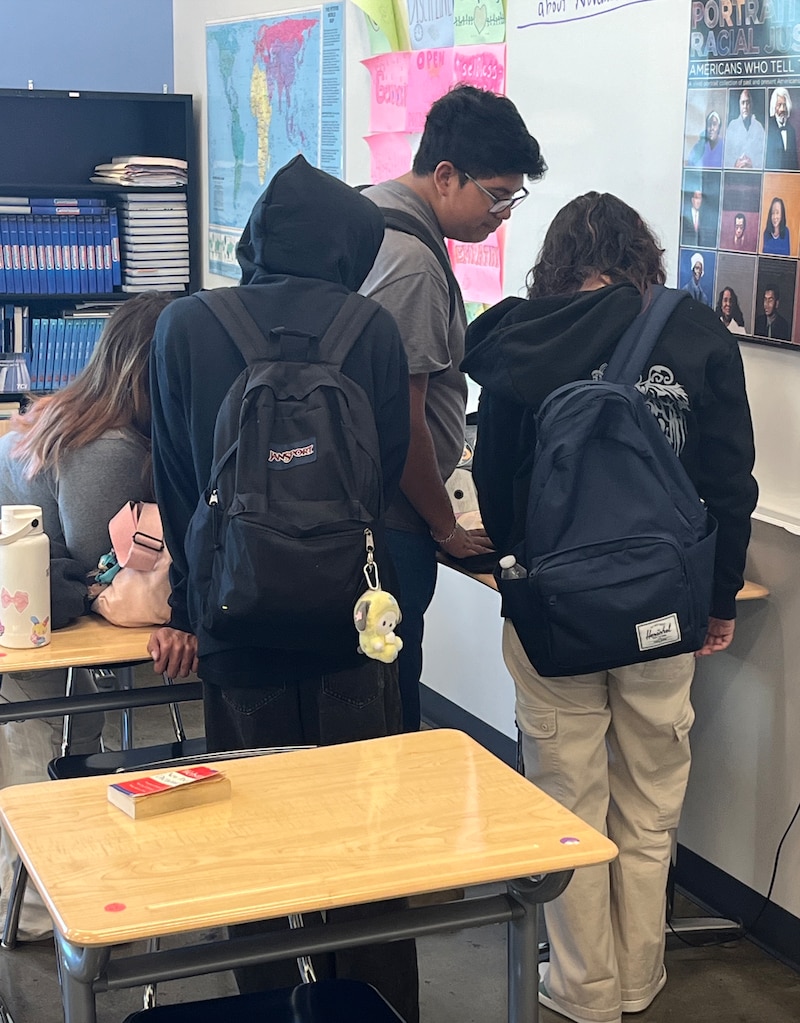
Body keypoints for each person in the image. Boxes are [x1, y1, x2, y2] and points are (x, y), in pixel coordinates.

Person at [462, 191, 758, 1023]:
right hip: (663, 609)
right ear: (645, 256)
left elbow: (494, 475)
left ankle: (582, 987)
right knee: (651, 797)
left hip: (554, 610)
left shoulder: (531, 332)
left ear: (554, 260)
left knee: (566, 793)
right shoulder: (697, 333)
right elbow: (730, 484)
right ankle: (638, 977)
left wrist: (526, 574)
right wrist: (717, 598)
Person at [147, 154, 418, 1021]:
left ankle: (268, 1004)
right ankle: (372, 1004)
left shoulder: (186, 326)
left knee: (252, 840)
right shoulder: (370, 329)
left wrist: (196, 606)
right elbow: (379, 478)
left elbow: (179, 480)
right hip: (350, 622)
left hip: (236, 624)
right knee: (364, 835)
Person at [359, 84, 546, 731]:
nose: (504, 215)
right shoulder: (410, 259)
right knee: (390, 701)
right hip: (393, 521)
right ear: (445, 175)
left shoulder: (366, 215)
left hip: (365, 510)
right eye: (496, 196)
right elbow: (402, 422)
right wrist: (445, 527)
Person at [0, 292, 173, 941]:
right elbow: (104, 563)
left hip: (35, 604)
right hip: (28, 615)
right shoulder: (108, 445)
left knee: (65, 736)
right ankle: (36, 906)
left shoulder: (89, 411)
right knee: (37, 741)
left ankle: (61, 870)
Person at [724, 88, 765, 168]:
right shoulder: (732, 126)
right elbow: (726, 154)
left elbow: (763, 155)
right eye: (743, 103)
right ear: (739, 105)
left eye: (748, 103)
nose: (745, 107)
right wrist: (736, 164)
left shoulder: (759, 127)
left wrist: (751, 164)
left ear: (751, 105)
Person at [765, 87, 798, 170]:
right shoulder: (767, 129)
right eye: (779, 105)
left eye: (784, 105)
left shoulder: (791, 131)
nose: (782, 109)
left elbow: (794, 162)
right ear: (774, 107)